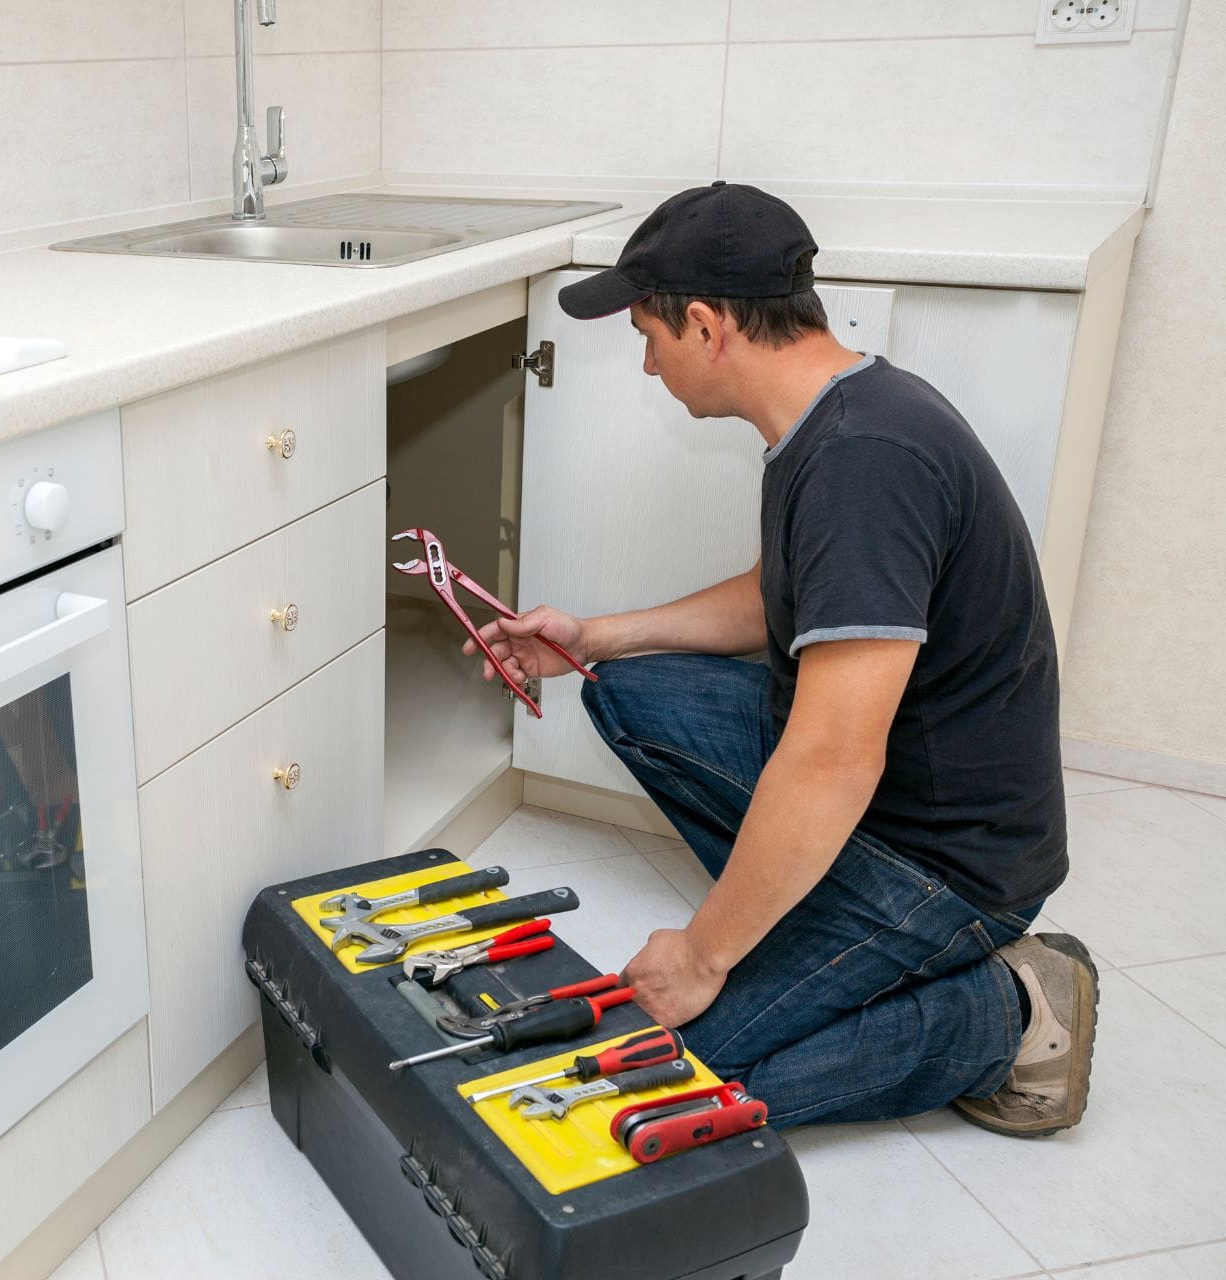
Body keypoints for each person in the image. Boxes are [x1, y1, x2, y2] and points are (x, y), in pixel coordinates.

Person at [467, 183, 1096, 1136]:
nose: (646, 366)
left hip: (948, 858)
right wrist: (596, 637)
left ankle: (1013, 1009)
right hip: (890, 797)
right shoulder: (834, 412)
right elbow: (782, 596)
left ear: (710, 327)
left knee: (677, 1070)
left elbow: (836, 759)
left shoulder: (863, 462)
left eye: (650, 335)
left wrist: (707, 954)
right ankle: (812, 916)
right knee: (624, 690)